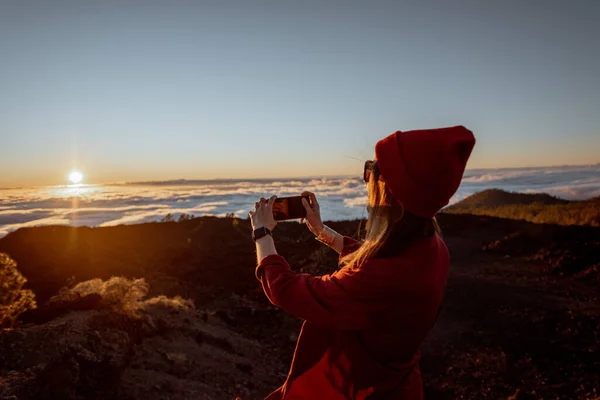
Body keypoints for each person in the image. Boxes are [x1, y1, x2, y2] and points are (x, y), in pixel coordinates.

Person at [248, 126, 475, 399]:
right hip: (397, 383)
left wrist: (262, 234)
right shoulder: (432, 246)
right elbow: (378, 258)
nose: (367, 179)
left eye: (374, 171)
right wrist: (323, 231)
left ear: (395, 194)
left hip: (362, 391)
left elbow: (291, 291)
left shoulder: (385, 278)